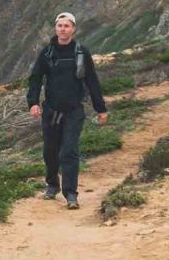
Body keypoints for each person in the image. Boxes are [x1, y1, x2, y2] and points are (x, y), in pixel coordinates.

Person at [27, 12, 108, 209]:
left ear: (73, 29)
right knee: (50, 151)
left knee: (69, 151)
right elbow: (36, 78)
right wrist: (33, 102)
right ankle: (52, 184)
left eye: (67, 26)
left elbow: (92, 81)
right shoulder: (47, 53)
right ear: (56, 28)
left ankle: (71, 194)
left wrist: (100, 108)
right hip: (51, 111)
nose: (63, 29)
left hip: (74, 111)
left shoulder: (82, 52)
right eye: (59, 25)